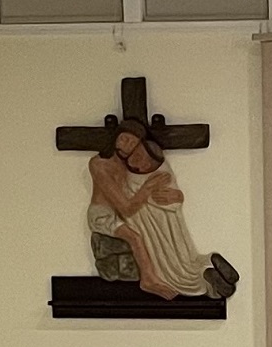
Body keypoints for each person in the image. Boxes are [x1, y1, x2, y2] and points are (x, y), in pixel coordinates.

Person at [123, 139, 239, 298]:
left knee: (172, 267)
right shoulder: (130, 176)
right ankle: (208, 266)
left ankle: (206, 278)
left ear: (149, 165)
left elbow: (168, 194)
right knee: (183, 259)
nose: (136, 158)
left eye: (142, 157)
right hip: (154, 223)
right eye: (136, 153)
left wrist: (175, 197)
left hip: (162, 225)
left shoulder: (160, 172)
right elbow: (135, 200)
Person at [87, 120, 177, 299]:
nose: (126, 145)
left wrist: (174, 195)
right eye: (124, 139)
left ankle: (174, 273)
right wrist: (148, 188)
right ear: (116, 137)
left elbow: (150, 182)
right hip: (102, 215)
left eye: (132, 143)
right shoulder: (98, 164)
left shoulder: (129, 164)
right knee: (135, 237)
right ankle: (148, 280)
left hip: (119, 214)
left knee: (156, 230)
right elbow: (126, 207)